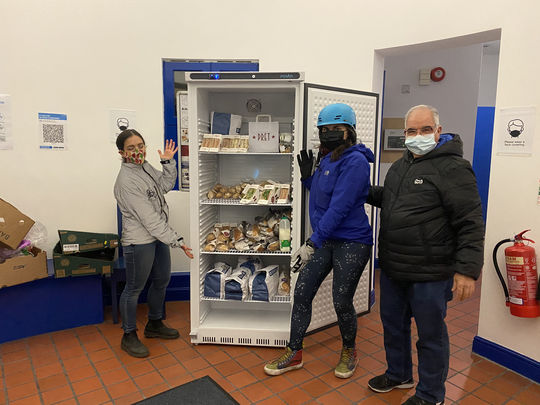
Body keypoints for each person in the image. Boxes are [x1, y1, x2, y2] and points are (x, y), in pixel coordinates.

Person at [367, 105, 484, 405]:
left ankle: (431, 395)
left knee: (430, 336)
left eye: (425, 129)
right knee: (393, 326)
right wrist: (362, 191)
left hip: (431, 272)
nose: (417, 136)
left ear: (438, 131)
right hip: (394, 268)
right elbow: (392, 200)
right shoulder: (401, 165)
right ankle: (399, 374)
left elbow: (470, 222)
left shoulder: (454, 169)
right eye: (411, 131)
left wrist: (467, 270)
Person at [264, 103, 374, 379]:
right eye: (324, 130)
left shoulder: (356, 161)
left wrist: (312, 242)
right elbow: (325, 193)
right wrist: (307, 178)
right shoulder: (329, 159)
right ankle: (295, 352)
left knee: (341, 299)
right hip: (325, 238)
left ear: (349, 131)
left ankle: (349, 350)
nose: (328, 134)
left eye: (335, 129)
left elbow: (340, 205)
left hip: (352, 241)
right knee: (302, 291)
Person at [114, 129, 194, 358]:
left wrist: (168, 162)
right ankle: (128, 336)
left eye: (140, 145)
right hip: (139, 242)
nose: (138, 151)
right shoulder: (126, 181)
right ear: (121, 152)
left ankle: (154, 324)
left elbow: (164, 186)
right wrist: (176, 241)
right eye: (131, 148)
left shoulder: (145, 167)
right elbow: (149, 219)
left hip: (157, 237)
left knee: (161, 280)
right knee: (133, 289)